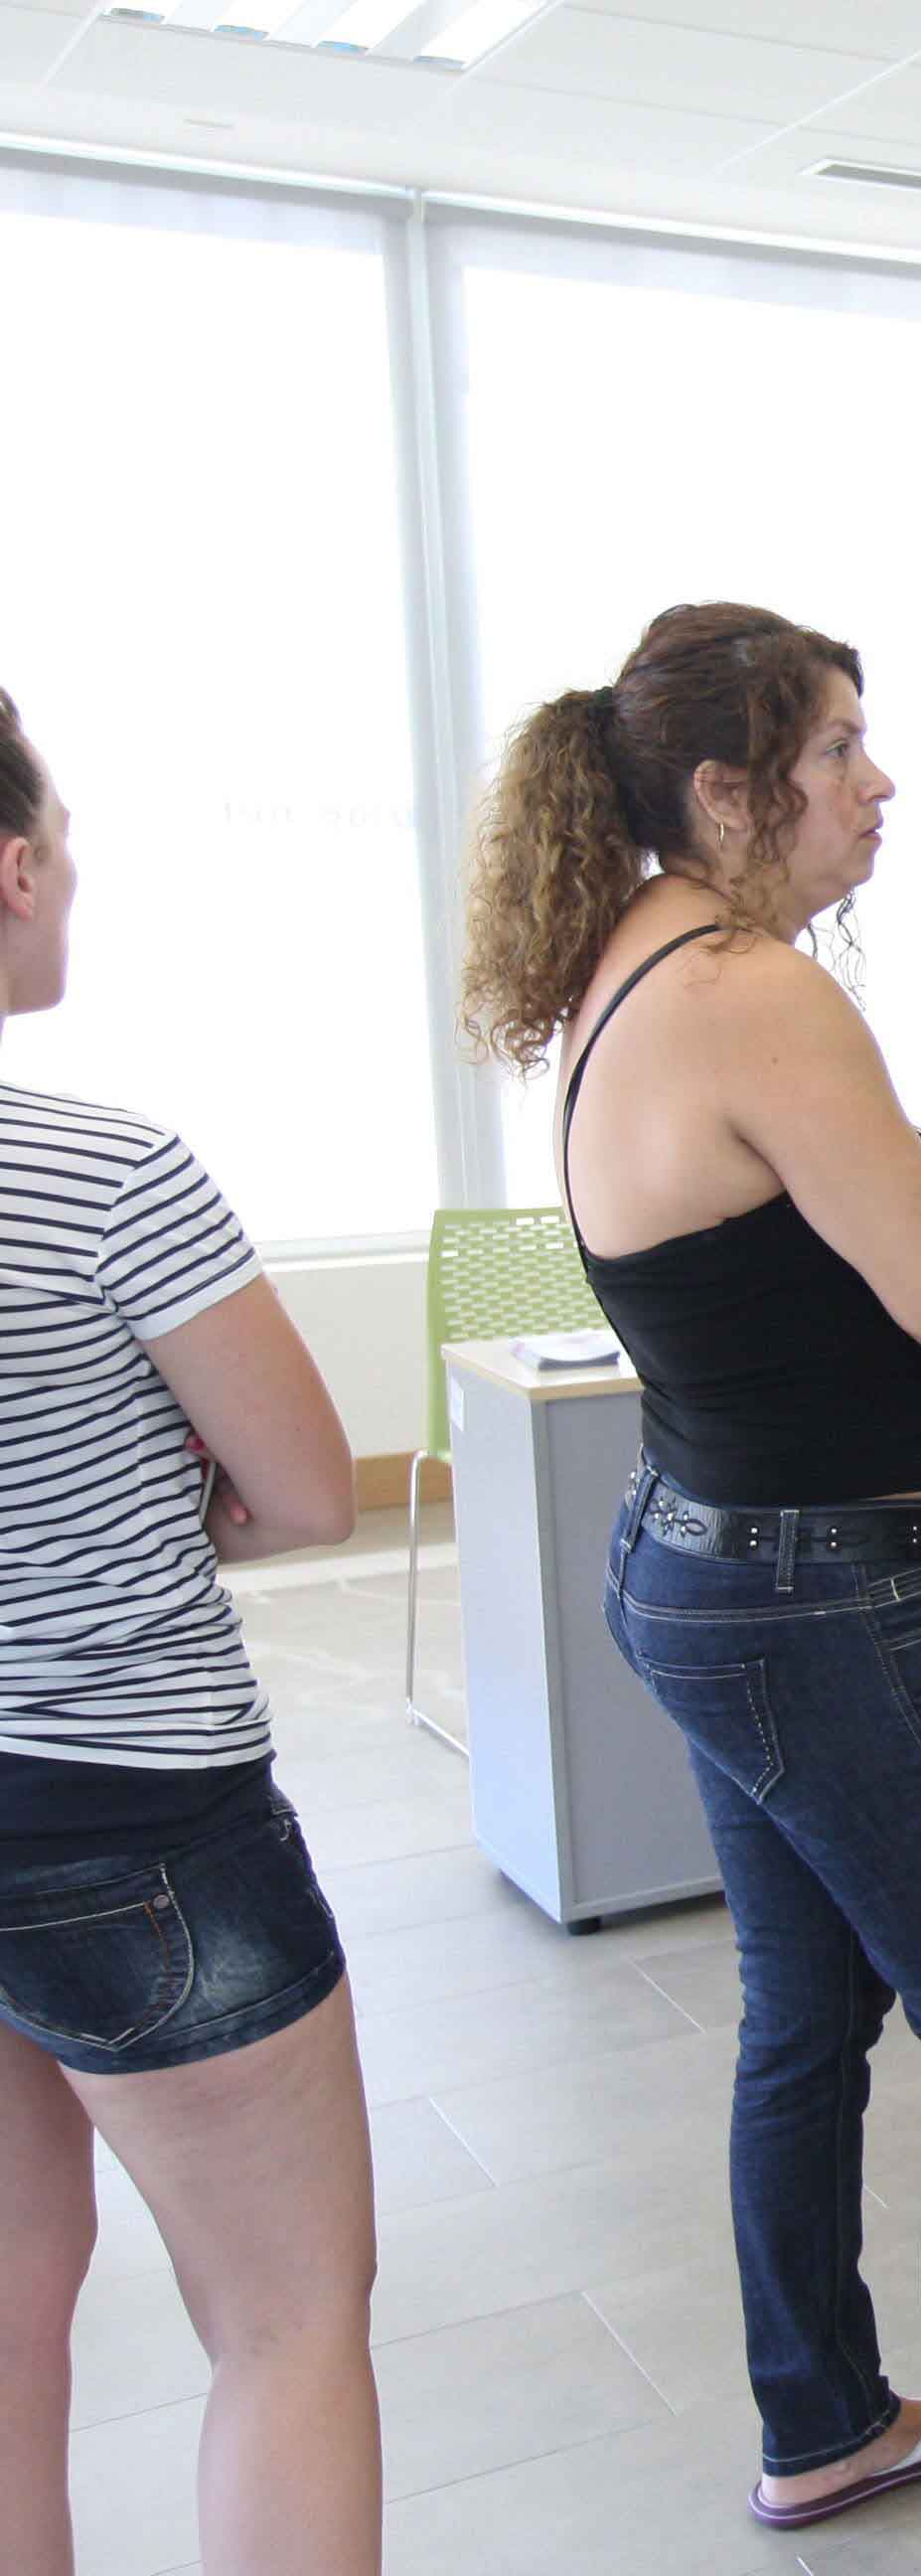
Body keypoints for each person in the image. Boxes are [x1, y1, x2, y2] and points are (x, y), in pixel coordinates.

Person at [463, 604, 921, 2576]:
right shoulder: (753, 994)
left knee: (807, 2012)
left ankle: (823, 2424)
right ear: (728, 791)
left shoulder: (636, 967)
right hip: (818, 1598)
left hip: (719, 1562)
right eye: (838, 754)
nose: (876, 788)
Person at [0, 688, 380, 2576]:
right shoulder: (104, 1173)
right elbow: (311, 1491)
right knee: (284, 2322)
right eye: (60, 839)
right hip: (128, 1815)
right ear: (9, 869)